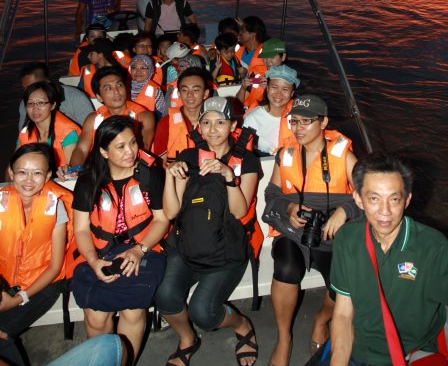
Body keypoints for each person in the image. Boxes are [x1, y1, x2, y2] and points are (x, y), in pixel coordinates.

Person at [155, 97, 259, 366]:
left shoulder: (246, 161)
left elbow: (239, 211)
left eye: (221, 122)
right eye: (206, 123)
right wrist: (169, 176)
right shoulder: (189, 158)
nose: (213, 130)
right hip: (187, 247)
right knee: (164, 296)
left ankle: (242, 324)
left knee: (204, 313)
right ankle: (187, 339)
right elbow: (170, 213)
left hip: (226, 252)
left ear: (233, 125)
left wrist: (228, 177)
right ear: (198, 126)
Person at [263, 94, 357, 366]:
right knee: (286, 268)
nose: (299, 128)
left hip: (331, 235)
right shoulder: (286, 154)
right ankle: (284, 338)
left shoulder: (344, 155)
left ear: (324, 122)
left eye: (307, 121)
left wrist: (345, 210)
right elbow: (272, 193)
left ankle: (321, 319)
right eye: (294, 121)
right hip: (294, 233)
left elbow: (367, 192)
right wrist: (289, 209)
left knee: (341, 287)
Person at [330, 152, 448, 366]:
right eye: (374, 199)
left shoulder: (433, 248)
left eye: (394, 199)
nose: (385, 212)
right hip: (360, 351)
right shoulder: (347, 239)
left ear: (407, 200)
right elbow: (343, 314)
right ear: (358, 198)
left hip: (414, 354)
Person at [71, 116, 168, 365]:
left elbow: (161, 220)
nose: (131, 151)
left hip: (144, 248)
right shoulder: (87, 181)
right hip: (100, 253)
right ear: (103, 151)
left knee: (132, 309)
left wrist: (139, 250)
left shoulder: (150, 175)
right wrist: (93, 261)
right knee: (95, 316)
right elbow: (81, 230)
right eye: (121, 146)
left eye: (133, 143)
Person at [0, 144, 73, 366]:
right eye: (22, 172)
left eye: (37, 173)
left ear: (48, 175)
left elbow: (55, 266)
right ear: (11, 173)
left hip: (44, 284)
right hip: (5, 281)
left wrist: (18, 299)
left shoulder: (55, 206)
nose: (29, 180)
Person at [65, 67, 155, 173]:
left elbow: (143, 147)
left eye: (119, 85)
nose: (116, 92)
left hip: (134, 169)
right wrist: (73, 170)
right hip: (102, 172)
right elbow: (81, 150)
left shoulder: (143, 117)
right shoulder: (93, 119)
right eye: (108, 88)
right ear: (99, 97)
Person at [18, 82, 81, 169]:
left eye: (41, 103)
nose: (35, 108)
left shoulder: (68, 132)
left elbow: (73, 171)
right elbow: (13, 165)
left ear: (53, 105)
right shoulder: (25, 133)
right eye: (30, 104)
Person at [151, 67, 210, 159]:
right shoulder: (166, 123)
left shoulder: (216, 122)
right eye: (185, 90)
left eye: (196, 90)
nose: (190, 95)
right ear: (179, 94)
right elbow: (161, 163)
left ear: (205, 94)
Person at [243, 64, 299, 156]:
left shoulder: (299, 118)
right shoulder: (252, 118)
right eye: (274, 87)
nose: (278, 94)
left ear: (292, 93)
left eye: (285, 89)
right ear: (267, 88)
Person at [18, 62, 93, 129]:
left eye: (31, 87)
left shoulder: (76, 97)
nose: (27, 92)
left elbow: (90, 132)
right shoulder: (25, 103)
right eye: (24, 89)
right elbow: (23, 132)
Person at [236, 38, 287, 107]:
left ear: (283, 57)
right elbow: (238, 103)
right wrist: (243, 88)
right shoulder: (256, 73)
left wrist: (268, 90)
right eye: (265, 57)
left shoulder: (289, 79)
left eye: (272, 56)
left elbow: (284, 107)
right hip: (248, 112)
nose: (268, 61)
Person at [235, 16, 268, 108]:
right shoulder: (238, 50)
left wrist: (247, 78)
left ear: (253, 35)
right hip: (237, 90)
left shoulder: (266, 55)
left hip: (253, 102)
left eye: (243, 31)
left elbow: (266, 81)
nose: (239, 33)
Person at [129, 54, 166, 119]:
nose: (138, 71)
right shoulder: (123, 86)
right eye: (134, 67)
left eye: (143, 68)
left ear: (150, 71)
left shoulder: (156, 90)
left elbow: (162, 114)